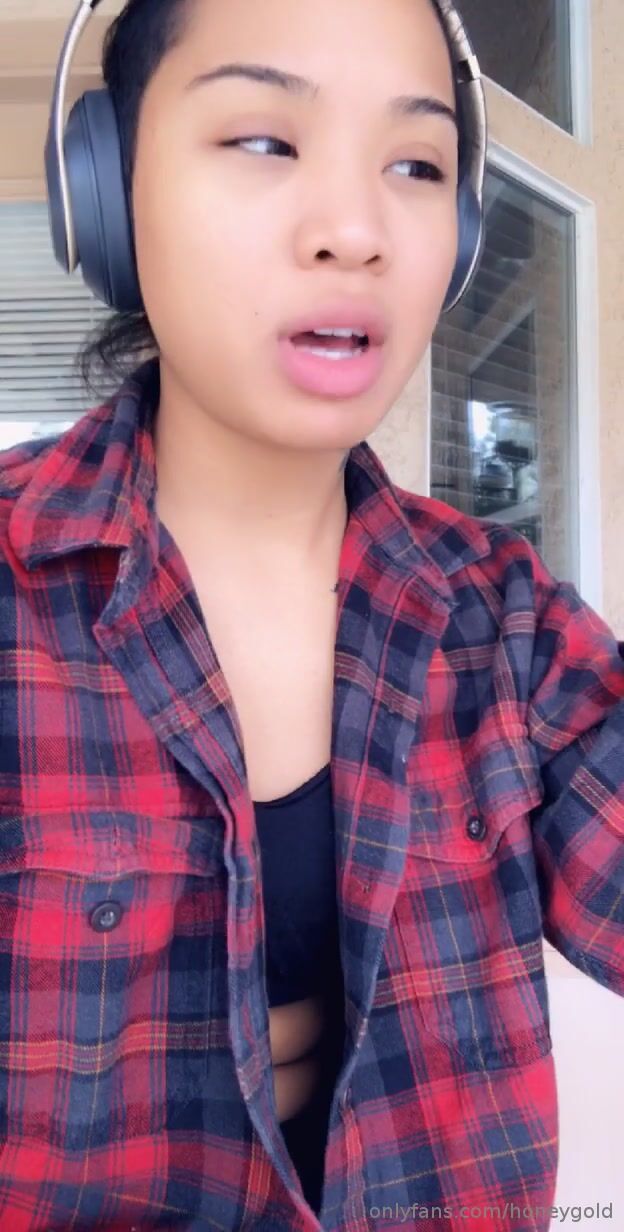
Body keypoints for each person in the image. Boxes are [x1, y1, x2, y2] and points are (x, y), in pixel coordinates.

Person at [0, 0, 621, 1228]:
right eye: (265, 141)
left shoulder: (507, 623)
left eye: (417, 165)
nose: (356, 231)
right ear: (105, 193)